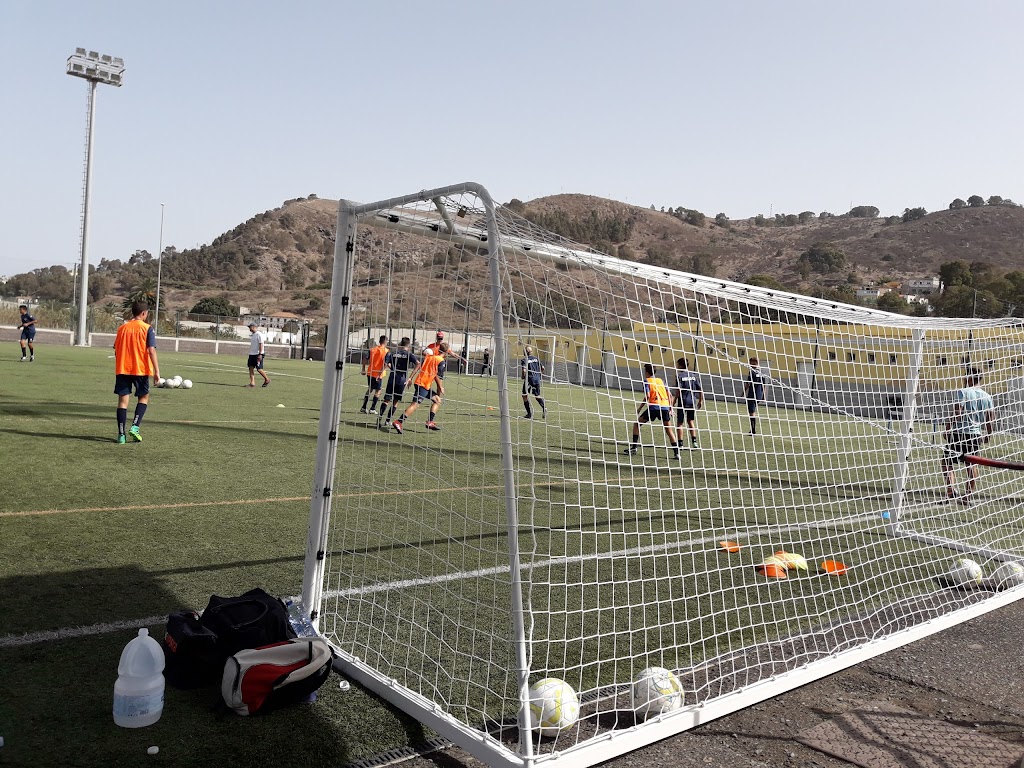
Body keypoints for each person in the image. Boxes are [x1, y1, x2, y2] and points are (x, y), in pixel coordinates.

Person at [942, 367, 995, 506]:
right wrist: (988, 434)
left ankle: (951, 491)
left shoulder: (963, 392)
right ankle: (967, 496)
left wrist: (948, 428)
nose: (964, 378)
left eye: (966, 376)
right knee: (971, 465)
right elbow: (990, 418)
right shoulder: (987, 396)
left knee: (946, 461)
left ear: (970, 378)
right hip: (975, 435)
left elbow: (957, 412)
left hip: (959, 433)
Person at [114, 300, 160, 444]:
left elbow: (116, 349)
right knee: (143, 397)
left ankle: (121, 435)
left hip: (123, 368)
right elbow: (151, 351)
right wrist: (157, 372)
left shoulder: (122, 328)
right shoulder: (147, 328)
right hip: (140, 369)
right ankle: (135, 426)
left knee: (123, 402)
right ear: (144, 313)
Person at [624, 363, 679, 458]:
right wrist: (671, 408)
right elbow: (670, 395)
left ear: (647, 372)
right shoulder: (661, 381)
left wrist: (640, 408)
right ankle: (677, 453)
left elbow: (648, 396)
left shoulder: (647, 381)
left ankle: (634, 448)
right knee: (669, 430)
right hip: (665, 407)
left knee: (637, 424)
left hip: (654, 407)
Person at [392, 342, 447, 434]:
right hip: (423, 384)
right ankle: (399, 422)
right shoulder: (441, 361)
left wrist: (411, 378)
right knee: (415, 404)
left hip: (422, 383)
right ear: (446, 352)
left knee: (437, 400)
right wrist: (440, 387)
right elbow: (437, 376)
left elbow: (422, 363)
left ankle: (430, 422)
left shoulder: (430, 357)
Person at [422, 331, 463, 430]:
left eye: (441, 338)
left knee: (438, 386)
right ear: (437, 337)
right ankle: (432, 400)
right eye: (439, 338)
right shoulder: (431, 346)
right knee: (431, 384)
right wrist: (426, 353)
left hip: (437, 367)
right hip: (432, 367)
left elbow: (453, 353)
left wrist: (461, 358)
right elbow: (424, 352)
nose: (440, 340)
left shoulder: (444, 347)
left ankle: (436, 399)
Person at [377, 336, 417, 429]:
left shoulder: (393, 353)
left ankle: (379, 419)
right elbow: (418, 364)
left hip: (392, 378)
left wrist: (380, 374)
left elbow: (386, 364)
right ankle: (388, 421)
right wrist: (410, 378)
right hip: (402, 380)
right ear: (408, 345)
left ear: (400, 344)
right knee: (395, 401)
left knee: (386, 400)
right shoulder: (409, 354)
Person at [673, 357, 704, 449]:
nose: (677, 366)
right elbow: (700, 389)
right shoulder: (694, 375)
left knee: (680, 422)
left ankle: (680, 444)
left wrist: (674, 400)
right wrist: (700, 401)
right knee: (690, 421)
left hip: (683, 401)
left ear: (681, 365)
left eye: (678, 365)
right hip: (692, 401)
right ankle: (694, 442)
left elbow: (678, 390)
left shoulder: (680, 376)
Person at [361, 335, 389, 414]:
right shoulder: (386, 351)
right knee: (378, 390)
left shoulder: (372, 349)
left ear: (379, 341)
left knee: (370, 389)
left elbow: (365, 358)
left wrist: (363, 369)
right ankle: (372, 408)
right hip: (378, 374)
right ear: (386, 342)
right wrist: (379, 374)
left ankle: (364, 407)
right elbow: (385, 364)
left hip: (370, 372)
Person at [520, 345, 547, 419]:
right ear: (531, 352)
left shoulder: (524, 360)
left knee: (524, 395)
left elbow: (524, 370)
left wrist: (523, 376)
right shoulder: (536, 358)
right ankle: (544, 407)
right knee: (537, 395)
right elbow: (543, 368)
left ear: (525, 352)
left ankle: (529, 414)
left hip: (529, 379)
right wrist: (539, 374)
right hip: (537, 379)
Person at [743, 357, 765, 435]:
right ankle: (752, 429)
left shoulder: (751, 372)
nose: (752, 364)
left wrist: (743, 392)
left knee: (751, 412)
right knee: (753, 411)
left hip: (752, 394)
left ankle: (753, 430)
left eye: (753, 362)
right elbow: (764, 384)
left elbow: (748, 383)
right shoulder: (761, 372)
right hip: (759, 394)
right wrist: (763, 396)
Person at [246, 323, 271, 388]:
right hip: (252, 354)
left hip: (258, 354)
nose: (249, 329)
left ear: (253, 327)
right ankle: (252, 383)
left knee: (259, 369)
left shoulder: (259, 334)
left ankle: (267, 379)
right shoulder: (253, 335)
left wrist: (260, 354)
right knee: (251, 368)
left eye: (250, 327)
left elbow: (261, 344)